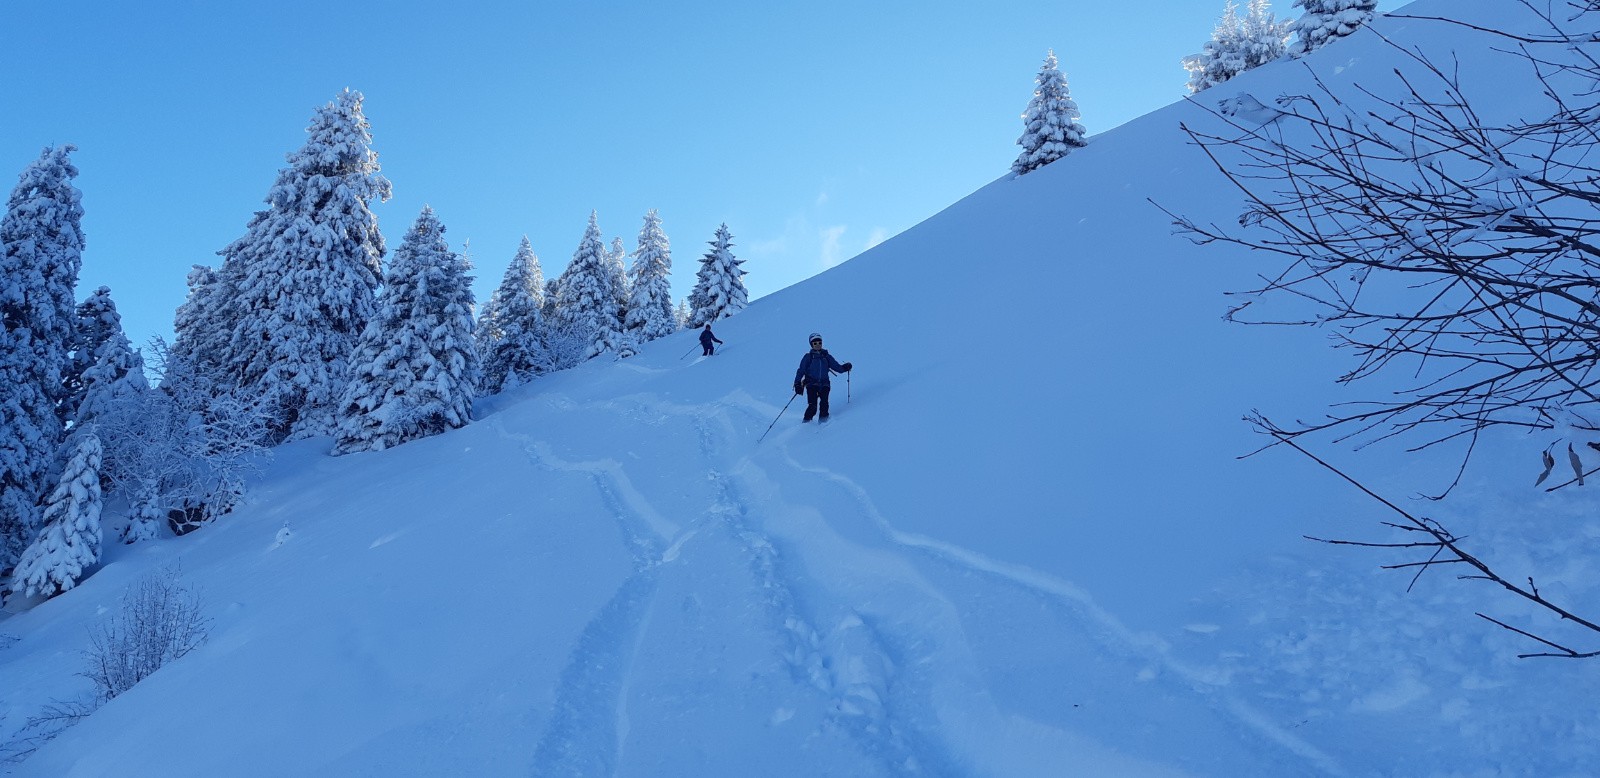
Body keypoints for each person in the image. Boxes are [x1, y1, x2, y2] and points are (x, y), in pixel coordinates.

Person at [793, 332, 852, 423]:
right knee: (812, 406)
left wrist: (844, 368)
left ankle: (823, 427)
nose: (818, 345)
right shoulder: (808, 357)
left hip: (824, 384)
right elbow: (801, 371)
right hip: (811, 384)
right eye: (815, 343)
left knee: (824, 404)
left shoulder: (826, 356)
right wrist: (797, 384)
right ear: (811, 344)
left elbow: (836, 366)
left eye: (819, 343)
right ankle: (805, 425)